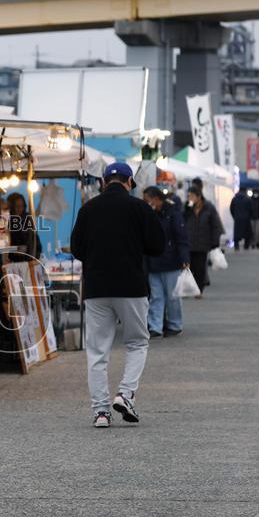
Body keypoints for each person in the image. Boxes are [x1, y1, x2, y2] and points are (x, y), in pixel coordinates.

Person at [71, 163, 165, 429]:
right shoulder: (140, 208)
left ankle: (101, 412)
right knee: (137, 343)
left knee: (98, 351)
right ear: (130, 182)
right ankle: (125, 394)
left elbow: (77, 248)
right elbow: (158, 245)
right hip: (131, 287)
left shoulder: (88, 209)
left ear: (103, 181)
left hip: (97, 289)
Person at [142, 187, 189, 337]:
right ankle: (155, 326)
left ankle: (175, 325)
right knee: (156, 297)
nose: (146, 203)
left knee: (173, 296)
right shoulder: (149, 215)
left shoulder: (173, 214)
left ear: (157, 199)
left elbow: (181, 238)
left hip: (171, 262)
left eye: (147, 200)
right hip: (153, 263)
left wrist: (184, 259)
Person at [184, 186, 224, 296]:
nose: (190, 198)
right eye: (189, 196)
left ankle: (199, 290)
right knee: (188, 267)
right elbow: (182, 222)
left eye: (192, 196)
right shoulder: (187, 208)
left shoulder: (209, 207)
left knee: (200, 268)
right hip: (189, 242)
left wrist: (215, 241)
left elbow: (216, 225)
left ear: (199, 196)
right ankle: (188, 289)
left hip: (203, 243)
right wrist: (186, 209)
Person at [7, 192, 39, 260]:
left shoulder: (28, 218)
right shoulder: (8, 219)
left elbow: (34, 241)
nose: (18, 209)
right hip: (11, 259)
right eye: (16, 206)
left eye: (21, 206)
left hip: (27, 259)